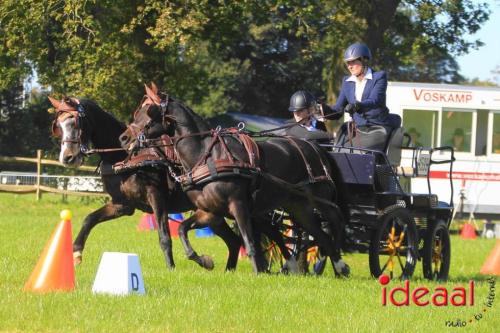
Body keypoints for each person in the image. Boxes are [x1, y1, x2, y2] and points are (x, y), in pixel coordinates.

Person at [331, 42, 397, 151]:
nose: (350, 66)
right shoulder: (347, 82)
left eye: (353, 62)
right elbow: (338, 108)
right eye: (348, 63)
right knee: (338, 150)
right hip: (357, 130)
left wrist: (357, 105)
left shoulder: (379, 77)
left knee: (357, 152)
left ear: (364, 60)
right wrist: (320, 110)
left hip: (377, 128)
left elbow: (375, 100)